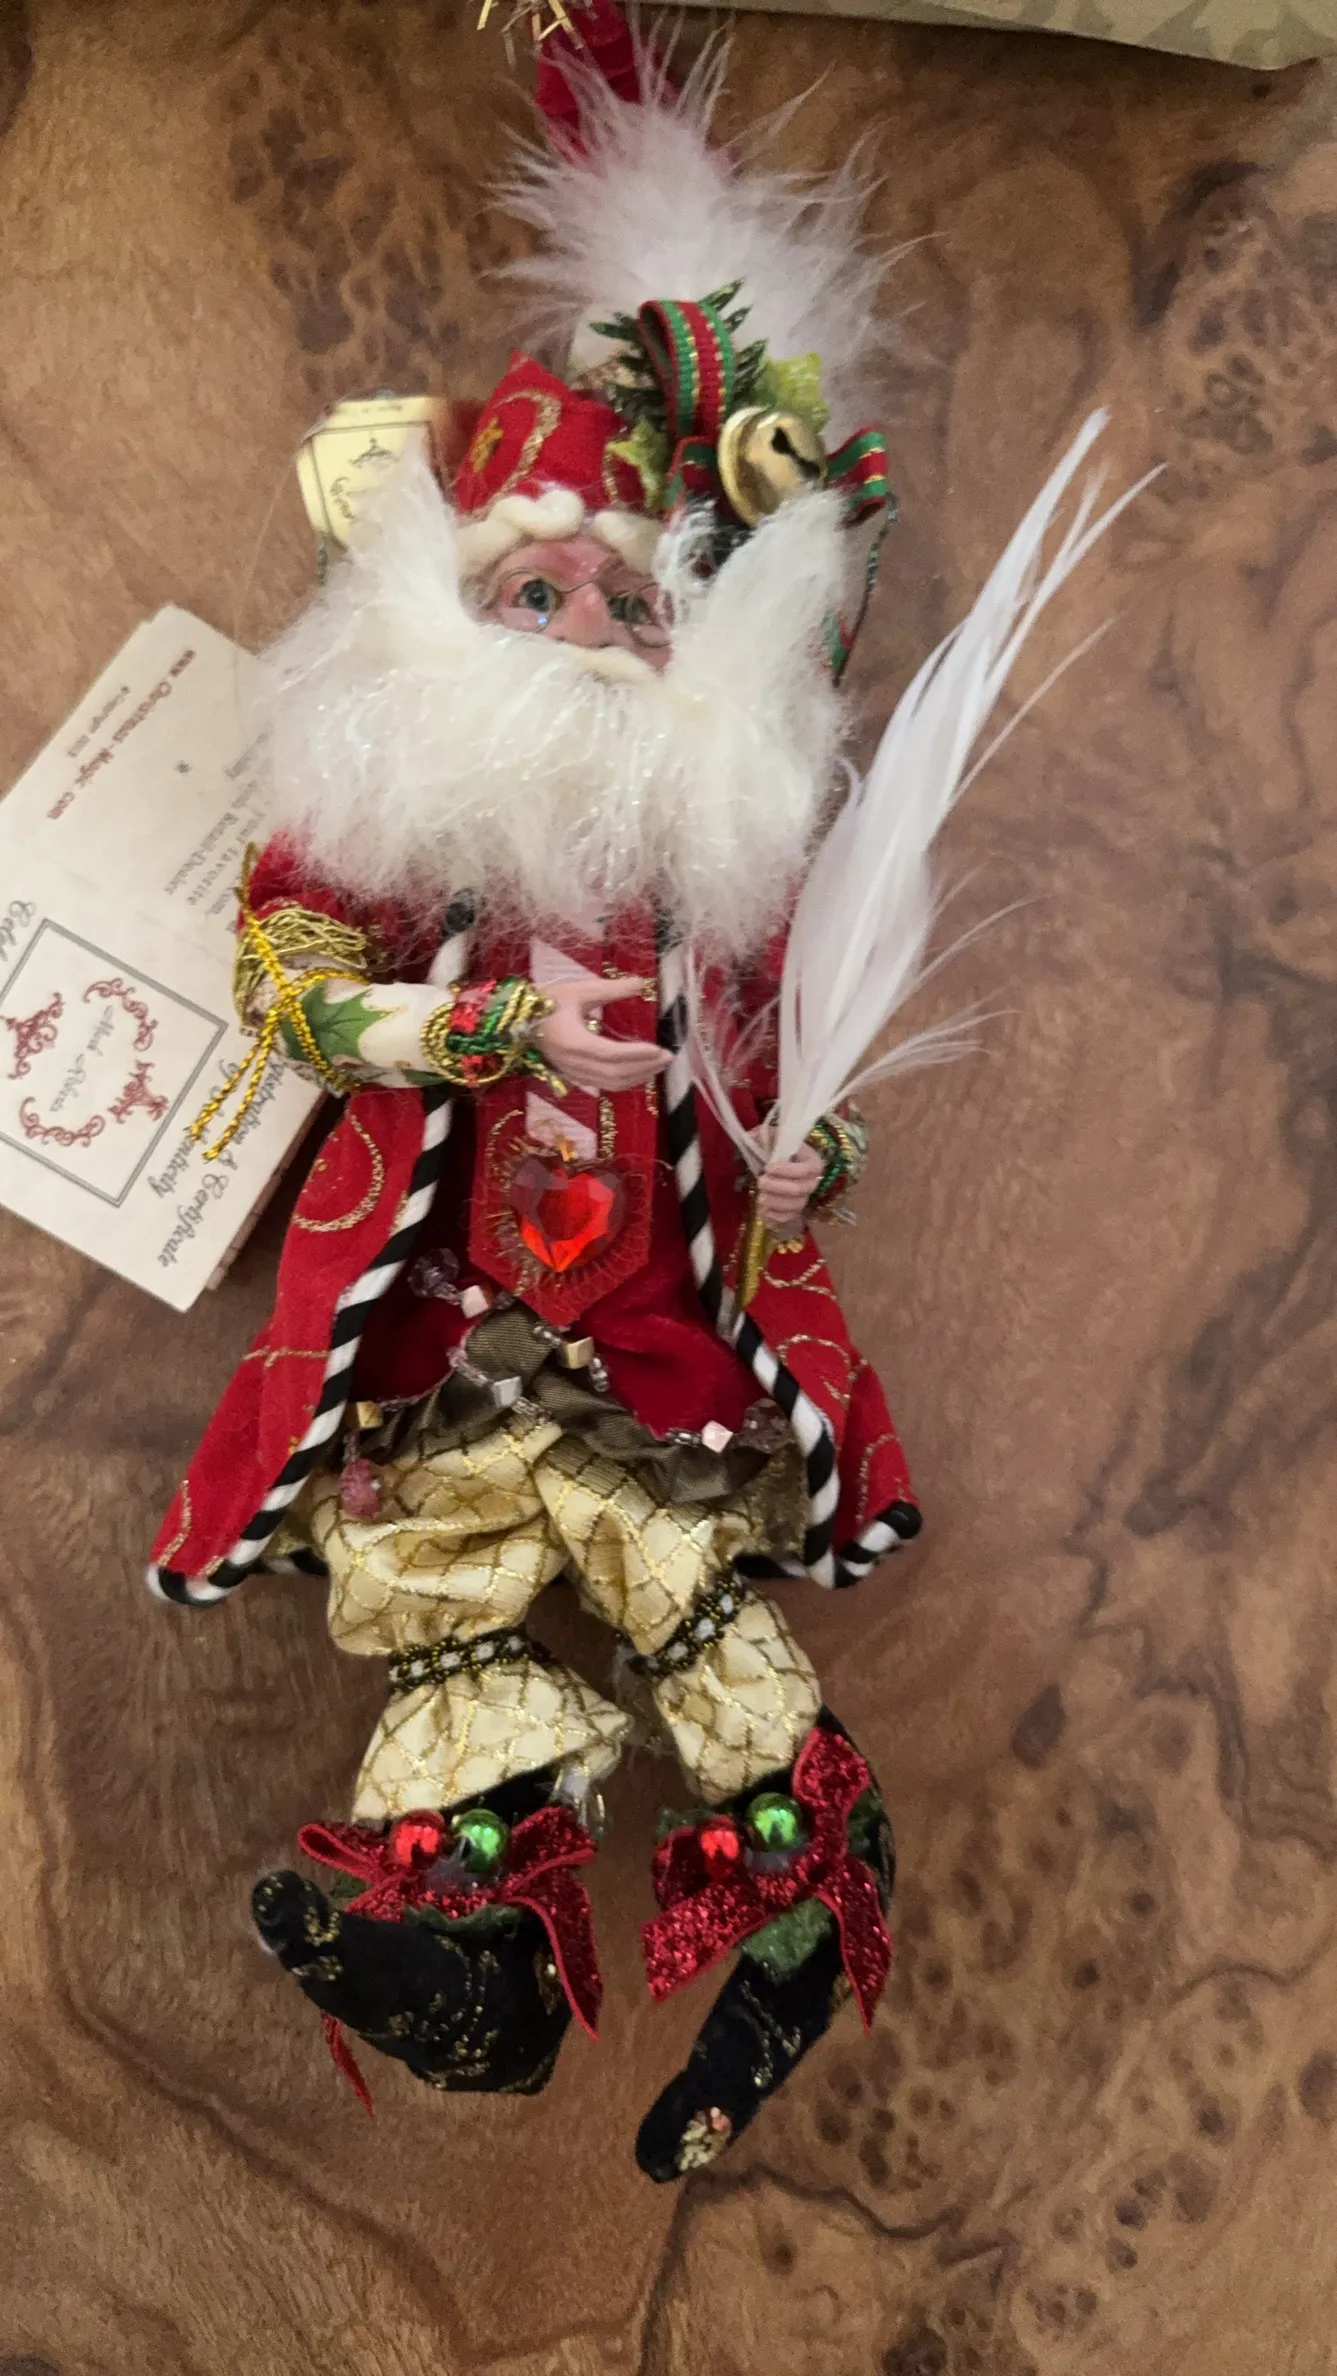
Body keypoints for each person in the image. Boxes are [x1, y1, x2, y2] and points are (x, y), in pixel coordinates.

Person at [149, 2, 920, 2179]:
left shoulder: (715, 883)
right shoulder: (397, 844)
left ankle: (794, 1921)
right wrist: (473, 1037)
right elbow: (292, 998)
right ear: (431, 618)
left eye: (629, 601)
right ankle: (471, 1975)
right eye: (531, 589)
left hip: (662, 1329)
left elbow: (797, 1084)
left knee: (691, 1595)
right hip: (440, 1332)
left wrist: (814, 1154)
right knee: (456, 1608)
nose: (586, 627)